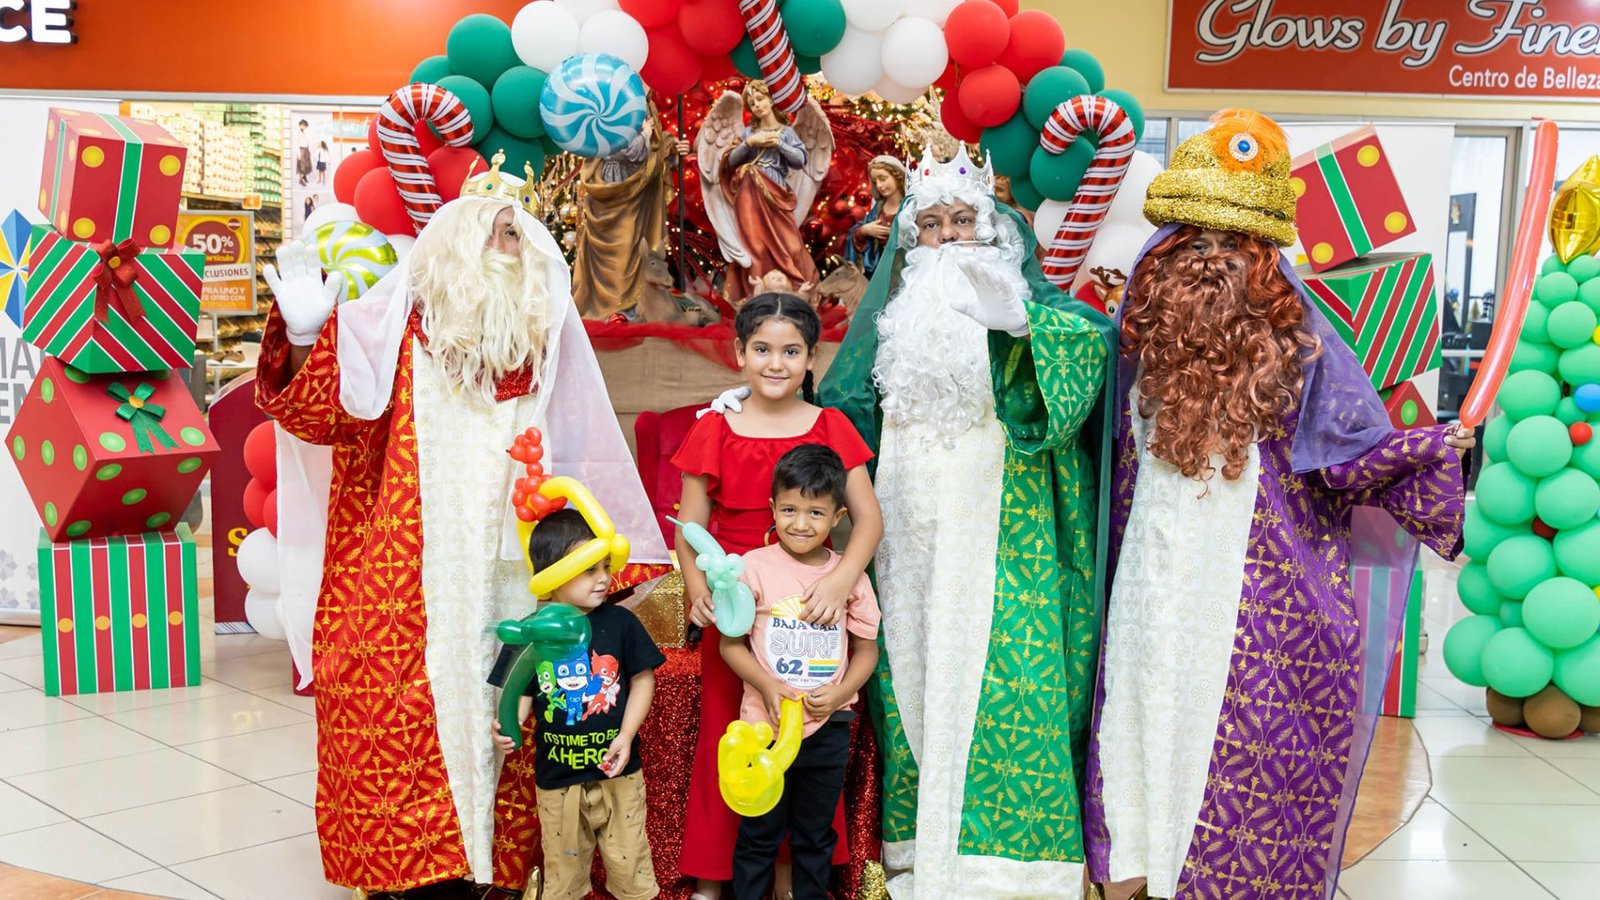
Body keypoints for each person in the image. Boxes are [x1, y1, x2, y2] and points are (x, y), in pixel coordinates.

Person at [1082, 109, 1472, 900]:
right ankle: (1134, 870)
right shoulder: (1136, 340)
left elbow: (1348, 456)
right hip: (1144, 594)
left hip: (1261, 603)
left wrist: (1429, 447)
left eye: (1231, 247)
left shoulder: (1300, 347)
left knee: (1236, 746)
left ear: (1263, 261)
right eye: (1194, 242)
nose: (1210, 262)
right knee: (1135, 721)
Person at [256, 157, 668, 897]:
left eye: (522, 234)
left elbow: (585, 455)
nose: (519, 245)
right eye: (501, 233)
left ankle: (504, 875)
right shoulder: (394, 340)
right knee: (390, 705)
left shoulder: (541, 350)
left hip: (517, 573)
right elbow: (318, 419)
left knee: (516, 716)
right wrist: (306, 334)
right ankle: (419, 875)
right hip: (401, 575)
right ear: (453, 250)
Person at [817, 143, 1119, 898]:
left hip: (1004, 525)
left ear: (994, 231)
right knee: (908, 671)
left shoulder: (1034, 306)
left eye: (962, 220)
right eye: (931, 224)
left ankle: (1005, 873)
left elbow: (1093, 345)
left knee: (1008, 674)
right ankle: (919, 858)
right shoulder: (890, 325)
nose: (948, 237)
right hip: (906, 525)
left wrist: (1021, 329)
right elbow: (844, 416)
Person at [672, 293, 883, 900]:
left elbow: (867, 518)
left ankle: (796, 879)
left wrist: (840, 580)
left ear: (810, 358)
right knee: (734, 735)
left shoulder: (831, 426)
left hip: (811, 598)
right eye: (762, 349)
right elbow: (690, 530)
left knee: (809, 739)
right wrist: (697, 592)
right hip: (740, 601)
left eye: (791, 351)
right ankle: (718, 875)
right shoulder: (713, 428)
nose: (775, 363)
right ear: (739, 353)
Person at [721, 444, 880, 900]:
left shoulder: (849, 579)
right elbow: (731, 644)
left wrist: (840, 693)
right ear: (773, 508)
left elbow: (867, 652)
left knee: (814, 838)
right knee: (758, 837)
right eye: (789, 509)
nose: (800, 523)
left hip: (830, 726)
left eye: (815, 512)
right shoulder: (753, 567)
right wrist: (767, 684)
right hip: (763, 728)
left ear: (838, 517)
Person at [490, 508, 665, 900]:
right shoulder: (531, 630)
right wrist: (508, 724)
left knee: (631, 867)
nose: (603, 578)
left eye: (604, 566)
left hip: (619, 775)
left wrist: (626, 735)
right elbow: (519, 690)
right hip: (558, 780)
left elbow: (642, 680)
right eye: (588, 570)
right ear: (552, 574)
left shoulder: (621, 623)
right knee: (563, 875)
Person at [698, 80, 832, 305]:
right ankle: (756, 297)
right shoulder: (749, 132)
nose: (757, 105)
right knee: (755, 246)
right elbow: (729, 161)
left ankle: (795, 292)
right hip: (749, 193)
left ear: (771, 100)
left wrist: (780, 144)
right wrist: (750, 142)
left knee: (791, 245)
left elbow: (800, 161)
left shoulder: (787, 132)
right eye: (752, 102)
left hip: (778, 193)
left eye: (760, 99)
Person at [573, 106, 691, 319]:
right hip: (614, 186)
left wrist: (673, 148)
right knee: (619, 248)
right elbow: (628, 151)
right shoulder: (611, 105)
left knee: (634, 248)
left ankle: (632, 307)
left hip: (639, 194)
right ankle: (611, 308)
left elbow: (655, 144)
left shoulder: (645, 105)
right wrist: (645, 133)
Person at [845, 157, 906, 279]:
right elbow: (858, 235)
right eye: (875, 181)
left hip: (902, 273)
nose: (879, 185)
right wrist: (864, 231)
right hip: (878, 274)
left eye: (883, 179)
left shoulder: (909, 207)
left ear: (897, 177)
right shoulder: (878, 208)